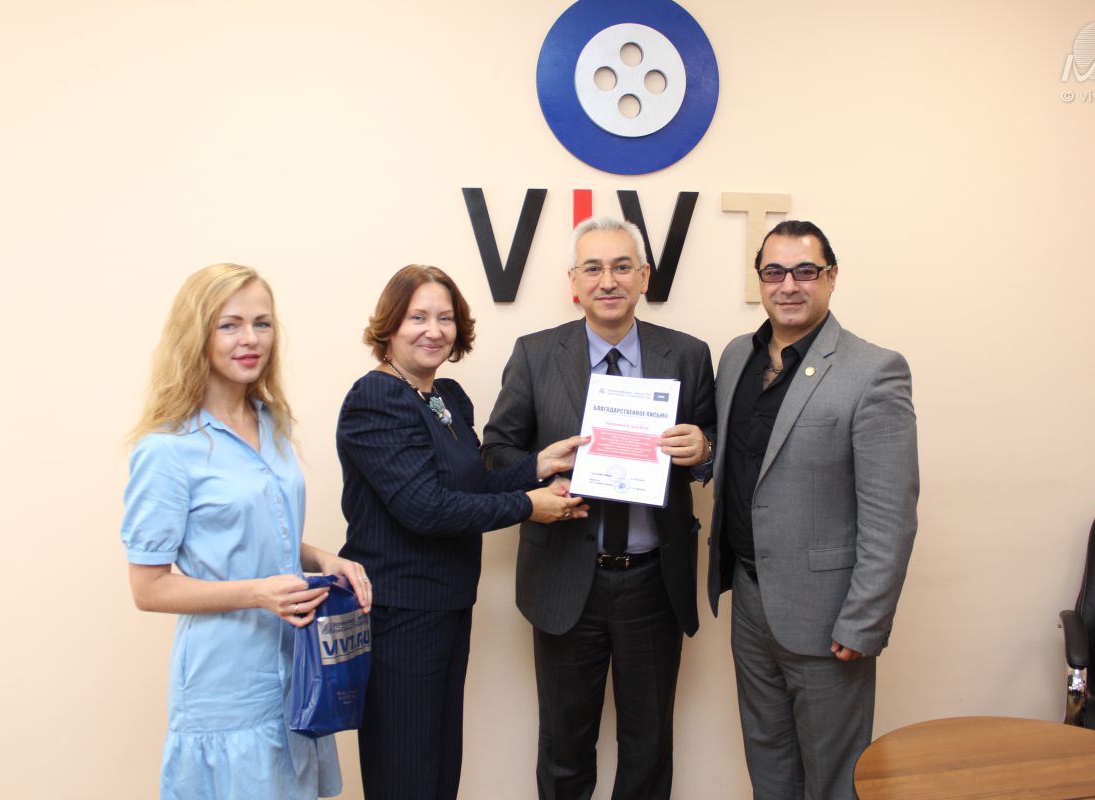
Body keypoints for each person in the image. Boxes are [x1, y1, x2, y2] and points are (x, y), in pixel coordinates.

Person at [482, 216, 717, 800]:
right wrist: (543, 470)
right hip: (565, 578)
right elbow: (496, 452)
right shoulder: (536, 354)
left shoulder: (687, 355)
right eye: (593, 268)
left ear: (643, 276)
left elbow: (711, 445)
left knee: (649, 748)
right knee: (564, 749)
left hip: (653, 582)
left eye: (620, 267)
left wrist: (703, 449)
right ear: (574, 282)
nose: (607, 281)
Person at [120, 263, 373, 800]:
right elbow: (148, 587)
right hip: (226, 681)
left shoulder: (273, 423)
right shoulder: (166, 450)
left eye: (262, 323)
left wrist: (323, 559)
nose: (251, 339)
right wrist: (259, 593)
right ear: (197, 334)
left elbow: (259, 532)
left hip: (297, 667)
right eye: (229, 325)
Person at [336, 264, 587, 800]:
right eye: (417, 317)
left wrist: (538, 465)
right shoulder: (375, 399)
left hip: (447, 604)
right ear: (389, 325)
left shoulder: (445, 396)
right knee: (406, 771)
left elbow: (471, 485)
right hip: (401, 613)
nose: (434, 330)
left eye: (445, 318)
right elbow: (425, 508)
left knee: (439, 764)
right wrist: (529, 506)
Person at [707, 220, 919, 800]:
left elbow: (891, 515)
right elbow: (740, 458)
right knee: (768, 764)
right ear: (760, 281)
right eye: (774, 272)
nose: (789, 285)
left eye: (805, 271)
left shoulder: (873, 370)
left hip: (828, 618)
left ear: (831, 277)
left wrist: (864, 620)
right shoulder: (736, 357)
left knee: (833, 778)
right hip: (750, 599)